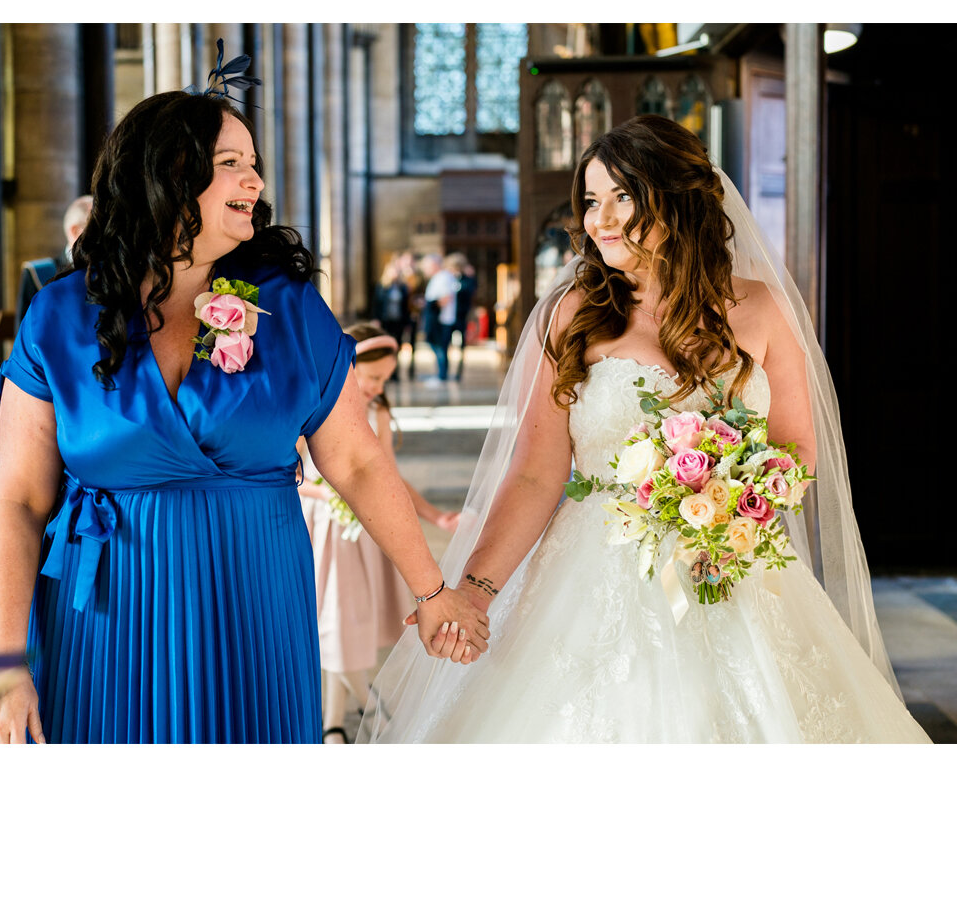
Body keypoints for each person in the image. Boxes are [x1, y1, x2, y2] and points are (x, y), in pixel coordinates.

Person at [359, 115, 931, 744]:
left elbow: (797, 449)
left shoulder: (760, 309)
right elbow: (533, 472)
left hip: (731, 565)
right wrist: (475, 590)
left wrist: (730, 491)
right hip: (592, 575)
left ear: (675, 199)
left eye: (622, 198)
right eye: (591, 201)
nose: (599, 219)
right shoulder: (574, 316)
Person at [0, 63, 489, 744]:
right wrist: (1, 661)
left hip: (252, 600)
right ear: (167, 175)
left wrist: (432, 593)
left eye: (254, 164)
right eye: (231, 164)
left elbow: (358, 463)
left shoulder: (289, 307)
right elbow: (17, 497)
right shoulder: (58, 316)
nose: (256, 182)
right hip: (101, 616)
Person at [298, 322, 461, 742]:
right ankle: (373, 711)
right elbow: (294, 471)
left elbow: (386, 476)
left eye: (385, 379)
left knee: (346, 628)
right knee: (333, 626)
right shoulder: (315, 400)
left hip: (361, 535)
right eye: (371, 377)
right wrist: (330, 496)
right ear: (348, 367)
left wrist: (433, 515)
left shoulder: (378, 412)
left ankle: (332, 726)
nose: (376, 387)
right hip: (323, 531)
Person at [15, 195, 93, 328]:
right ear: (74, 231)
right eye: (95, 229)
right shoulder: (38, 274)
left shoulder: (107, 272)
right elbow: (24, 335)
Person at [420, 254, 459, 384]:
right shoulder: (438, 277)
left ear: (434, 265)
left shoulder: (443, 277)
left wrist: (432, 305)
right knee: (437, 346)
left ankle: (442, 375)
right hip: (437, 318)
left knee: (440, 347)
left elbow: (446, 298)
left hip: (441, 320)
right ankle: (441, 374)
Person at [444, 252, 476, 382]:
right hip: (448, 316)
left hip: (461, 315)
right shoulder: (447, 278)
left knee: (461, 344)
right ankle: (445, 370)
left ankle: (458, 372)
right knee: (445, 343)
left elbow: (469, 292)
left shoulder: (467, 279)